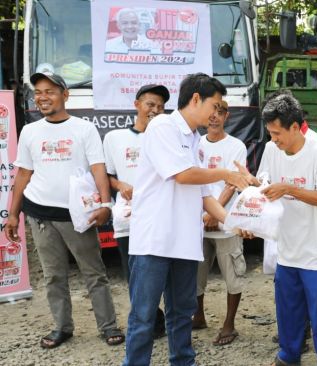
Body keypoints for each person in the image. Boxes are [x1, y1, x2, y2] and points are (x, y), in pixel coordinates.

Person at [122, 73, 251, 366]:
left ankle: (183, 362)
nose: (216, 113)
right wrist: (226, 174)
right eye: (214, 105)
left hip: (185, 243)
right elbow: (182, 176)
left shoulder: (195, 140)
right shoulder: (163, 127)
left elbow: (205, 195)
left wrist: (235, 223)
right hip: (153, 242)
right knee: (143, 317)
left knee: (182, 314)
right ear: (195, 99)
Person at [4, 72, 124, 348]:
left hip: (76, 216)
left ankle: (108, 326)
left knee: (94, 273)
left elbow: (98, 169)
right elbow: (23, 173)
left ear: (65, 95)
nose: (43, 97)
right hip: (40, 214)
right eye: (39, 92)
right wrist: (13, 213)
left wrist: (106, 205)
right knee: (54, 275)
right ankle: (62, 327)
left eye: (50, 91)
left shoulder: (84, 129)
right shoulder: (31, 131)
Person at [238, 92, 317, 366]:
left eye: (277, 133)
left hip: (315, 256)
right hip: (286, 251)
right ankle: (288, 357)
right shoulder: (273, 150)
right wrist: (249, 209)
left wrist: (290, 189)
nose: (273, 139)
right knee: (288, 314)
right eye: (270, 133)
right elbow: (264, 185)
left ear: (295, 127)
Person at [103, 84, 170, 338]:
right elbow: (107, 176)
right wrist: (121, 185)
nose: (155, 110)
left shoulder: (166, 138)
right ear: (137, 104)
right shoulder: (114, 138)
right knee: (134, 276)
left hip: (160, 218)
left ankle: (157, 321)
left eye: (161, 107)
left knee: (161, 275)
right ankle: (149, 324)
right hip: (128, 219)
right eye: (150, 104)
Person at [190, 99, 248, 347]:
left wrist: (214, 214)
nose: (214, 117)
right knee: (195, 276)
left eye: (220, 112)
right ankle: (198, 315)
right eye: (211, 111)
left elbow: (232, 182)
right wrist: (204, 216)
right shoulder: (194, 143)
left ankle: (229, 324)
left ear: (227, 116)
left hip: (226, 223)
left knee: (233, 275)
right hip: (198, 222)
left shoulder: (236, 146)